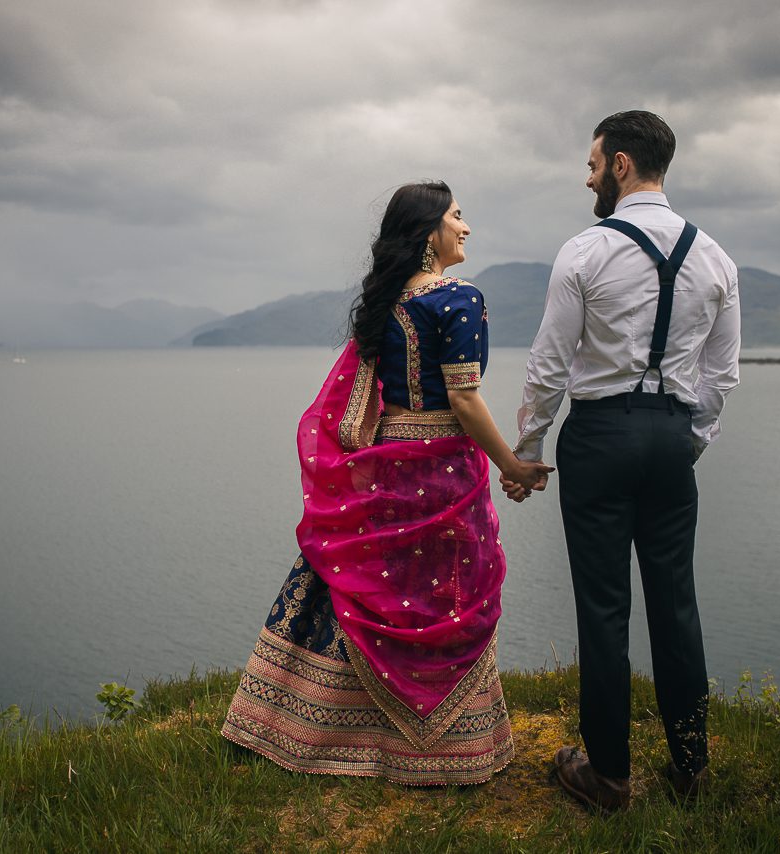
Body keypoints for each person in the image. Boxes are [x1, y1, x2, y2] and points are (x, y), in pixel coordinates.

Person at [221, 181, 552, 785]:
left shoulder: (387, 303)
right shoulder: (459, 299)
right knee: (445, 595)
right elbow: (464, 399)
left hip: (386, 460)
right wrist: (510, 464)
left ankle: (309, 729)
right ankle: (448, 752)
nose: (467, 227)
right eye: (457, 216)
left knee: (374, 587)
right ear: (430, 233)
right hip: (443, 469)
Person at [504, 111, 740, 811]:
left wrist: (526, 454)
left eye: (593, 163)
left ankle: (607, 776)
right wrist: (684, 442)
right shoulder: (717, 258)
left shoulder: (583, 252)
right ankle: (691, 771)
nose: (589, 176)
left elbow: (548, 367)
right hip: (671, 439)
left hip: (601, 437)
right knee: (677, 606)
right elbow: (721, 379)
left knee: (604, 609)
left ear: (623, 166)